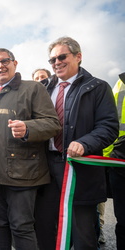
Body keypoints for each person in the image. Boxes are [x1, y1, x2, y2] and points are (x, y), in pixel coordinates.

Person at [34, 36, 118, 250]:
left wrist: (85, 143)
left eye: (62, 57)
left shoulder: (98, 87)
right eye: (52, 60)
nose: (56, 63)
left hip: (78, 168)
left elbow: (108, 127)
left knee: (83, 234)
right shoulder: (42, 89)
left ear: (78, 56)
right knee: (45, 228)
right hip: (45, 169)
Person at [0, 48, 61, 250]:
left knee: (21, 227)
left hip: (23, 174)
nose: (1, 66)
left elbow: (53, 124)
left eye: (5, 61)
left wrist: (28, 128)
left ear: (15, 63)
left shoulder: (33, 89)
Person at [103, 72, 125, 249]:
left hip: (117, 158)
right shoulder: (119, 85)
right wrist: (107, 160)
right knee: (123, 220)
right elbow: (109, 125)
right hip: (119, 161)